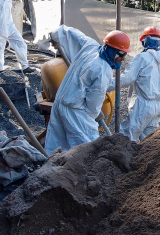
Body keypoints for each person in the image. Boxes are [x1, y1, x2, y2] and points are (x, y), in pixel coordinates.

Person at [44, 26, 130, 154]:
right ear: (113, 51)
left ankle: (50, 165)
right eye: (122, 54)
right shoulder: (103, 71)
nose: (123, 59)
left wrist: (55, 34)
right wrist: (93, 116)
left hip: (60, 102)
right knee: (87, 151)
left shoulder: (90, 46)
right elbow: (93, 105)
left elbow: (70, 32)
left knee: (55, 145)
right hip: (76, 112)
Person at [118, 27, 160, 142]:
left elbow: (126, 78)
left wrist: (107, 85)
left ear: (144, 41)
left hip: (143, 106)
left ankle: (124, 154)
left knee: (127, 137)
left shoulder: (142, 58)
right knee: (149, 141)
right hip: (157, 106)